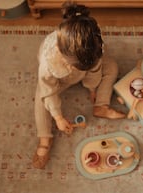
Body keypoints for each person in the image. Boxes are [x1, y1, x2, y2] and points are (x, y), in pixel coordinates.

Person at [32, 1, 125, 169]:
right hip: (60, 79)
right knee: (41, 96)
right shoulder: (49, 63)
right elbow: (49, 91)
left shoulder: (94, 46)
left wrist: (92, 87)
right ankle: (45, 138)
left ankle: (101, 105)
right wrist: (58, 117)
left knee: (112, 67)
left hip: (83, 67)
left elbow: (95, 69)